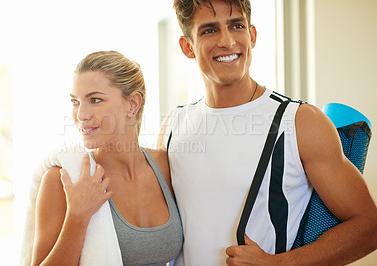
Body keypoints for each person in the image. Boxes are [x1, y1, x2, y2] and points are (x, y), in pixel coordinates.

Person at [157, 0, 377, 265]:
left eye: (236, 25)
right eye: (209, 30)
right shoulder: (174, 124)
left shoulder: (299, 121)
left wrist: (278, 264)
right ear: (187, 47)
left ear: (252, 35)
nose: (227, 41)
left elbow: (369, 227)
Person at [31, 51, 183, 265]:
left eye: (95, 100)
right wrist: (78, 216)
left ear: (133, 104)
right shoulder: (63, 180)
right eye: (75, 102)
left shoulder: (166, 166)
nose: (81, 114)